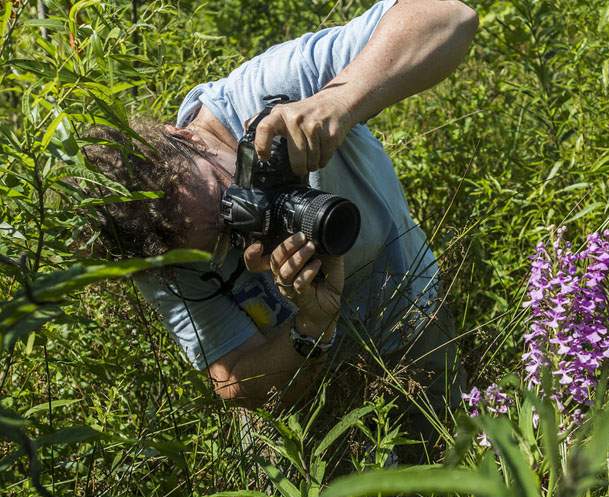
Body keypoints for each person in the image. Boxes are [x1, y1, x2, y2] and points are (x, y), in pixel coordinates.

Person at [83, 0, 477, 422]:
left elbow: (449, 17)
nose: (245, 225)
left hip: (407, 313)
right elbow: (231, 380)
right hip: (303, 388)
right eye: (222, 241)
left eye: (227, 195)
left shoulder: (266, 92)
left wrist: (337, 101)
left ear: (186, 136)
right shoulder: (158, 243)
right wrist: (311, 327)